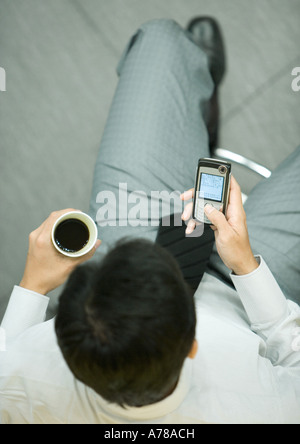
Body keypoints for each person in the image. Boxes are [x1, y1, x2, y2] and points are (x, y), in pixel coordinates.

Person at [0, 18, 299, 425]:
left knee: (160, 40)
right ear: (192, 347)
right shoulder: (267, 410)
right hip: (242, 296)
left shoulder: (18, 382)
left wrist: (34, 284)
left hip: (134, 238)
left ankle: (191, 115)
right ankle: (195, 126)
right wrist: (246, 266)